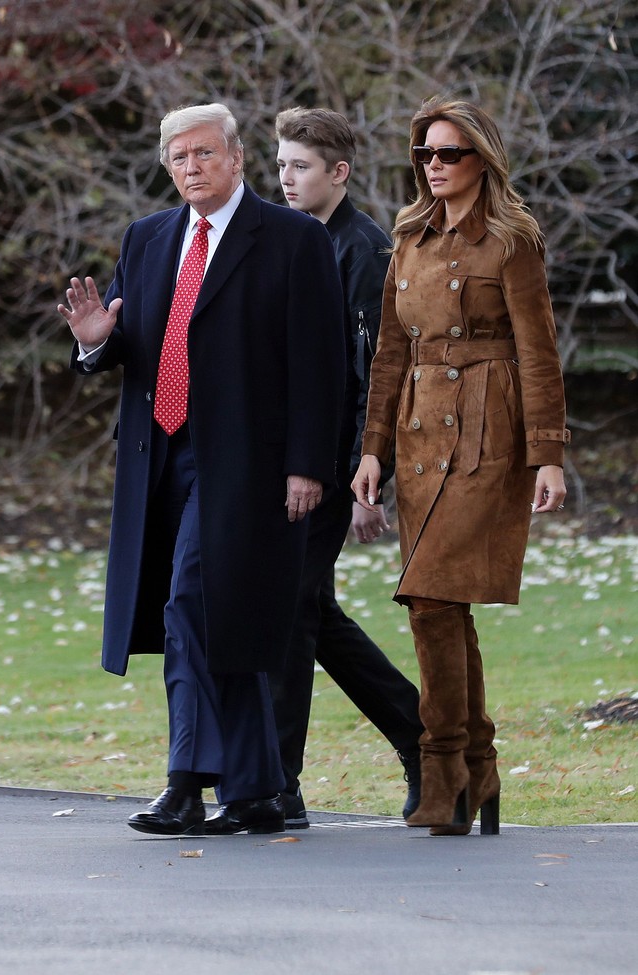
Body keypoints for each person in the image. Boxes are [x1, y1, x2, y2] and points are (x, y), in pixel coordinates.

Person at [58, 103, 345, 836]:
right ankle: (255, 791)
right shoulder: (148, 238)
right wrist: (95, 342)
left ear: (238, 157)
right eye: (179, 157)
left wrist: (308, 465)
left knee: (189, 605)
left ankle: (184, 784)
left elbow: (321, 363)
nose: (192, 167)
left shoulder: (293, 239)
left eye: (205, 153)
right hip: (158, 458)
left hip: (249, 465)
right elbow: (135, 344)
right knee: (220, 616)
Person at [352, 97, 570, 836]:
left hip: (487, 435)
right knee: (437, 602)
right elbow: (390, 354)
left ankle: (446, 768)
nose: (434, 166)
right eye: (425, 154)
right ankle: (477, 765)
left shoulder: (511, 241)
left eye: (449, 153)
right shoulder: (408, 238)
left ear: (483, 159)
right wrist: (373, 450)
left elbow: (539, 353)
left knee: (433, 595)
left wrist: (548, 455)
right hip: (418, 436)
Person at [271, 107, 424, 828]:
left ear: (339, 172)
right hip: (293, 461)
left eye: (300, 166)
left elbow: (377, 375)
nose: (286, 178)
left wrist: (370, 477)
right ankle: (427, 740)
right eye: (280, 164)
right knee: (309, 611)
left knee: (296, 612)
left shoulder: (360, 250)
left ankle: (280, 782)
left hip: (334, 466)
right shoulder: (297, 241)